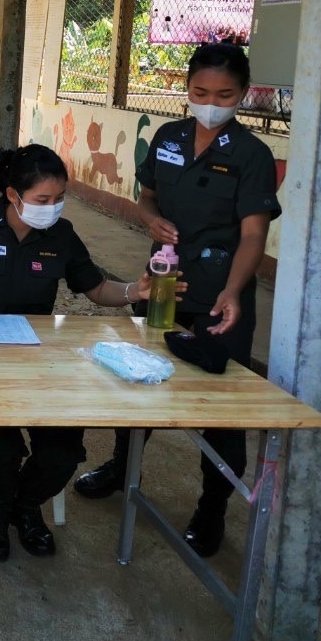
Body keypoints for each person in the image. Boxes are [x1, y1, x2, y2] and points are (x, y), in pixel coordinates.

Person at [0, 143, 172, 564]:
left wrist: (134, 291)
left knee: (63, 450)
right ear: (12, 194)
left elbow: (96, 288)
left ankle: (24, 505)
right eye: (42, 199)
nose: (52, 208)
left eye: (59, 199)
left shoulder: (62, 235)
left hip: (39, 362)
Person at [73, 42, 280, 559]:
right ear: (186, 89)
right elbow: (147, 198)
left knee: (222, 406)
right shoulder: (168, 138)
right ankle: (123, 467)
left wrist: (233, 290)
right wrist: (150, 220)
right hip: (163, 284)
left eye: (224, 95)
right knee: (138, 378)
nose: (210, 103)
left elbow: (253, 235)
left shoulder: (251, 155)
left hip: (218, 295)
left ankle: (212, 509)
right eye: (200, 92)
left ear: (243, 94)